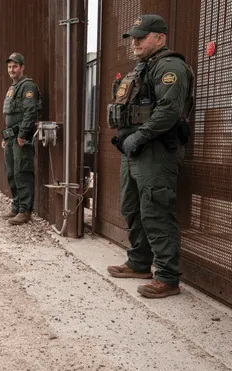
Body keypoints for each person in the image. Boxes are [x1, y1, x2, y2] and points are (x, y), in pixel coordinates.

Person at [106, 14, 194, 299]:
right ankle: (139, 263)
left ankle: (168, 277)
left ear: (160, 38)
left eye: (141, 37)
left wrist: (138, 137)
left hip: (156, 151)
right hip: (135, 151)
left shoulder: (171, 67)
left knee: (156, 211)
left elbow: (169, 111)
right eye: (133, 37)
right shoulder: (143, 69)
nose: (135, 42)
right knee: (132, 208)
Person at [1, 52, 40, 225]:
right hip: (10, 137)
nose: (12, 70)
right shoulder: (12, 88)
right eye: (9, 67)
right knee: (11, 172)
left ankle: (25, 211)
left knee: (22, 172)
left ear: (22, 67)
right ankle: (16, 206)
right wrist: (6, 136)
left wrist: (23, 134)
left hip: (20, 137)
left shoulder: (27, 86)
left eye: (15, 66)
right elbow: (10, 113)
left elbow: (30, 112)